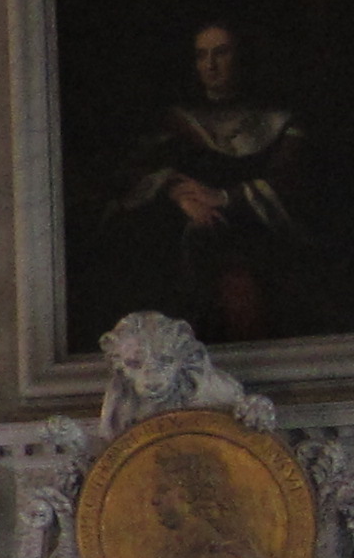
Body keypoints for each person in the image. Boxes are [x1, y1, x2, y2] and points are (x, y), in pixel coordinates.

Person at [97, 18, 328, 347]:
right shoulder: (176, 122)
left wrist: (225, 197)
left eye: (221, 53)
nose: (211, 65)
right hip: (182, 242)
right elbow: (131, 176)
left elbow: (294, 184)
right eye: (201, 55)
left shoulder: (280, 121)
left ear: (242, 56)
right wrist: (178, 194)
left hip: (259, 237)